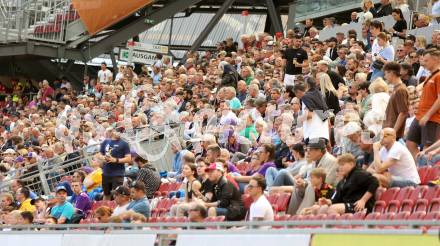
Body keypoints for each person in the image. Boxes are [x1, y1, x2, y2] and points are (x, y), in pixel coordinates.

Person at [406, 49, 440, 159]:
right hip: (420, 115)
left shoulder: (439, 75)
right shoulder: (430, 76)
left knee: (428, 147)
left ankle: (426, 172)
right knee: (410, 143)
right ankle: (419, 168)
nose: (423, 63)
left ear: (435, 60)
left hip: (432, 118)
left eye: (426, 60)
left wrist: (428, 115)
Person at [97, 127, 131, 200]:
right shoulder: (105, 142)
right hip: (106, 172)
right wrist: (104, 158)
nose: (119, 133)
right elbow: (99, 154)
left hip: (117, 174)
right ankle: (105, 210)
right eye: (118, 130)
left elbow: (128, 158)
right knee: (106, 194)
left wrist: (115, 160)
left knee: (117, 195)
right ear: (113, 131)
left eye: (121, 131)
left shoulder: (124, 143)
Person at [383, 62, 409, 139]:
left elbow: (403, 112)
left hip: (393, 133)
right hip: (389, 129)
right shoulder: (396, 88)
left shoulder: (400, 90)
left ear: (391, 73)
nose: (385, 76)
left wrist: (393, 132)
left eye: (386, 74)